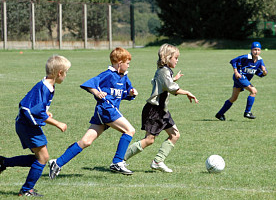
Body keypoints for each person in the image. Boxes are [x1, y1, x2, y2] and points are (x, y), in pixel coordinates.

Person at [48, 47, 138, 179]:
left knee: (86, 141)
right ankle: (118, 162)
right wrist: (96, 92)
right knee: (129, 130)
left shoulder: (124, 77)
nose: (129, 65)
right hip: (106, 110)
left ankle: (57, 163)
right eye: (127, 63)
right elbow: (89, 84)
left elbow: (124, 92)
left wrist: (131, 93)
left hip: (105, 112)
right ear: (120, 63)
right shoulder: (108, 75)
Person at [0, 55, 71, 197]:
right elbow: (33, 110)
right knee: (43, 158)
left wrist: (46, 111)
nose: (66, 76)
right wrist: (57, 123)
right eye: (66, 73)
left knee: (41, 158)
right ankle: (26, 189)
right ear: (59, 73)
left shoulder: (47, 86)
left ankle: (3, 162)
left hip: (26, 125)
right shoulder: (44, 88)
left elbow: (33, 105)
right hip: (27, 126)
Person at [124, 44, 199, 173]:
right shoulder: (164, 71)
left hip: (162, 111)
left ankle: (158, 161)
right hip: (154, 111)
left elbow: (162, 83)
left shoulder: (165, 71)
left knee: (175, 135)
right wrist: (187, 92)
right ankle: (120, 160)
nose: (177, 60)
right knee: (149, 140)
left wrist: (173, 78)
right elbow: (171, 88)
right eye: (175, 58)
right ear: (168, 57)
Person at [215, 42, 268, 121]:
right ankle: (247, 112)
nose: (256, 52)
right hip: (240, 77)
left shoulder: (260, 60)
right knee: (253, 91)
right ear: (251, 50)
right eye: (254, 49)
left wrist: (264, 72)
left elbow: (261, 74)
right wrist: (236, 72)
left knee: (233, 98)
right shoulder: (246, 57)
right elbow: (233, 61)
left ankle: (219, 114)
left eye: (258, 50)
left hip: (243, 79)